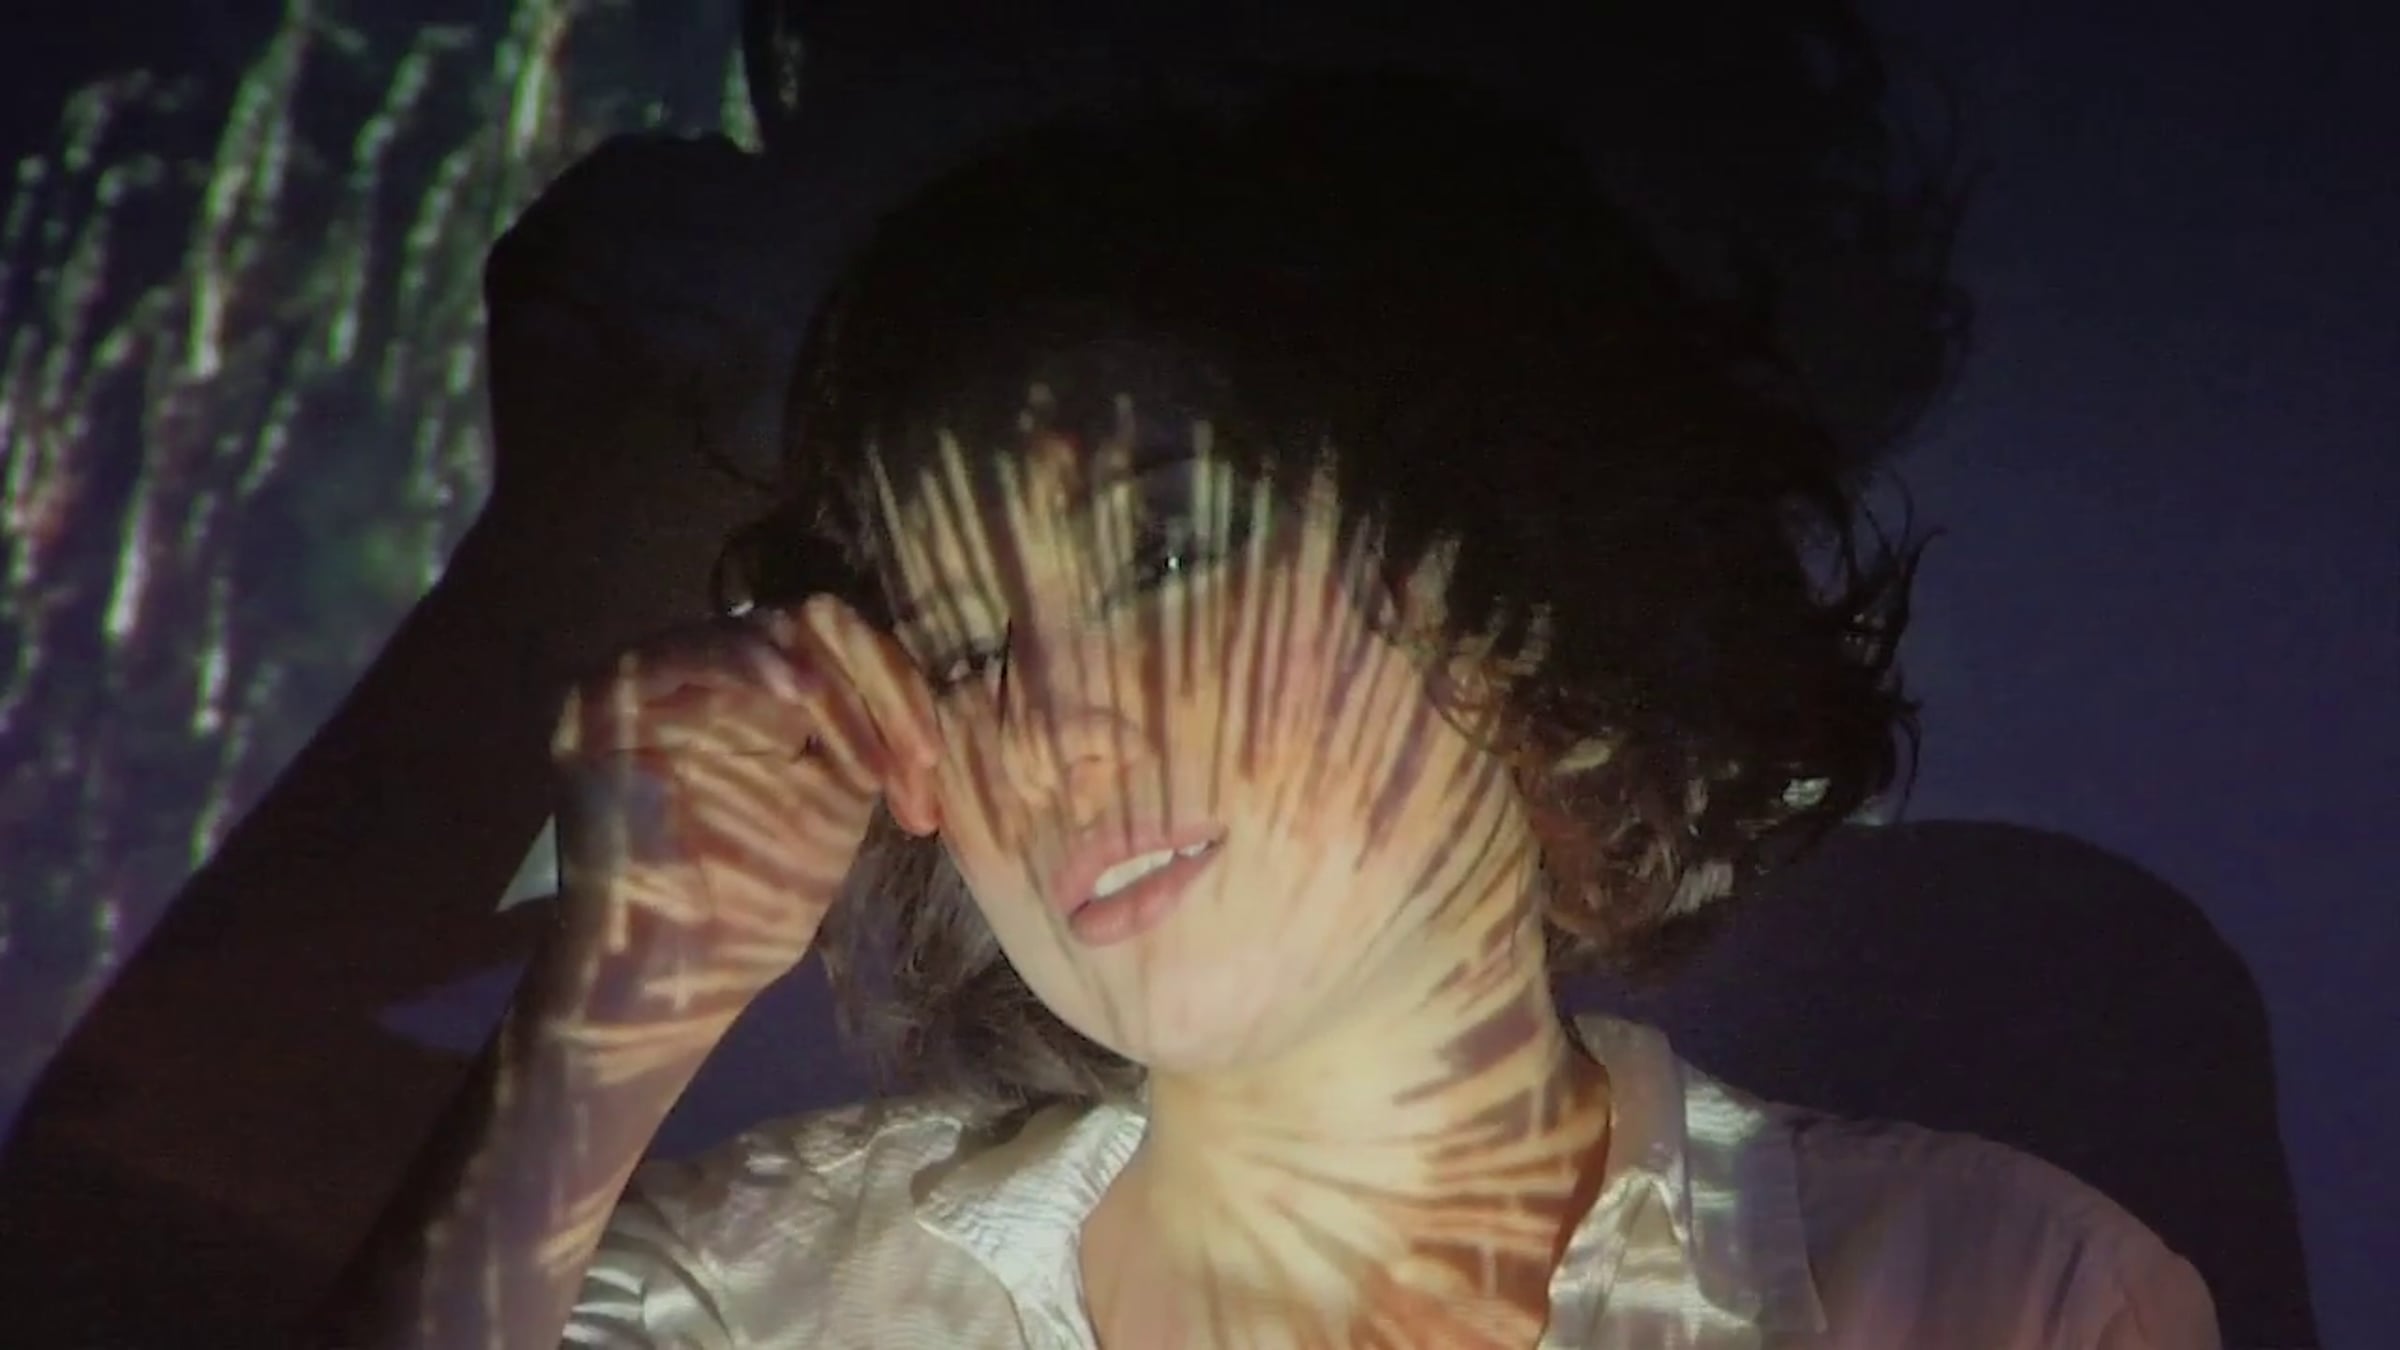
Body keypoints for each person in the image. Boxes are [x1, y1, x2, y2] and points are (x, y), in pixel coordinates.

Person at [323, 69, 2220, 1348]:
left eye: (1165, 554)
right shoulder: (734, 1301)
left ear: (1498, 570)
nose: (1055, 727)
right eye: (964, 644)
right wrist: (600, 1024)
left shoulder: (1996, 1296)